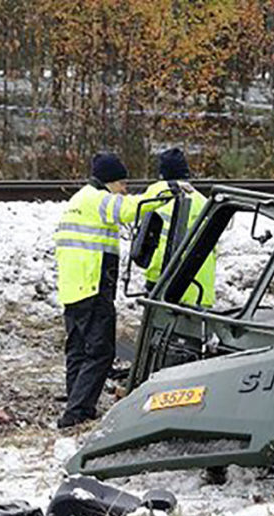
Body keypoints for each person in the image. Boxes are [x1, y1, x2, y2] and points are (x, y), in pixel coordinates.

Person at [54, 153, 171, 429]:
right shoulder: (99, 199)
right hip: (94, 286)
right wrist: (165, 192)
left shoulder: (78, 200)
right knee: (101, 352)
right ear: (110, 182)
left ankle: (77, 403)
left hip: (74, 287)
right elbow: (130, 209)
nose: (124, 190)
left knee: (79, 349)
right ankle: (77, 412)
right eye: (122, 184)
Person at [144, 148, 217, 307]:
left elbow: (160, 250)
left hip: (173, 292)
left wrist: (152, 281)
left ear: (163, 177)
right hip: (202, 292)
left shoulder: (165, 202)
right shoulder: (203, 202)